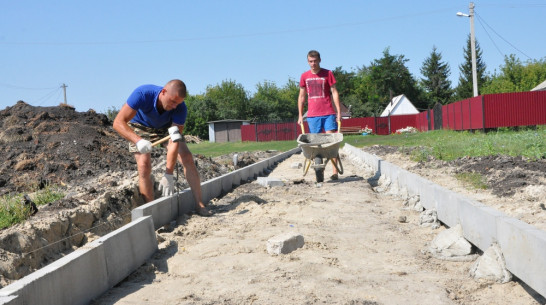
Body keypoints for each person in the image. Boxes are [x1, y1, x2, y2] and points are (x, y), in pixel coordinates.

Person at [113, 79, 212, 216]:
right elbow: (118, 122)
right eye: (172, 102)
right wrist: (138, 141)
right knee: (144, 165)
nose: (174, 106)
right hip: (140, 127)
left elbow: (174, 142)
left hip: (166, 128)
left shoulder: (180, 108)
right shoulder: (142, 93)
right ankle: (150, 211)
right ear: (163, 92)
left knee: (187, 157)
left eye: (178, 103)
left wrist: (169, 174)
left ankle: (199, 205)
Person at [297, 50, 342, 180]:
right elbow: (301, 96)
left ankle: (334, 172)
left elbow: (334, 92)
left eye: (315, 61)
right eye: (311, 61)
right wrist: (300, 115)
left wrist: (338, 112)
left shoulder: (328, 73)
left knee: (331, 143)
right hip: (312, 115)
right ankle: (319, 169)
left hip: (328, 113)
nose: (313, 64)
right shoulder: (304, 76)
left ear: (320, 60)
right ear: (308, 62)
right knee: (316, 146)